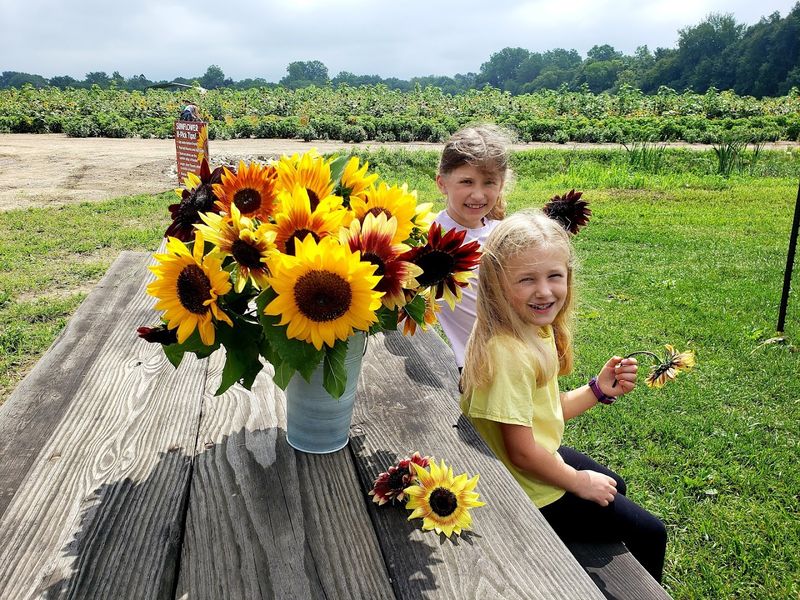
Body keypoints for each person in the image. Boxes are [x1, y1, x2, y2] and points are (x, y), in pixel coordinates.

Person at [460, 210, 668, 583]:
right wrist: (577, 481)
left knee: (614, 486)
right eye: (527, 279)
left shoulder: (529, 327)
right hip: (524, 489)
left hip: (528, 466)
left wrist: (597, 390)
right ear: (496, 283)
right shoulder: (508, 353)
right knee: (651, 534)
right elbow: (522, 453)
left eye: (554, 276)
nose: (544, 291)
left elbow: (543, 412)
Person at [433, 124, 513, 370]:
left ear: (501, 185)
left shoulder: (505, 234)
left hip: (512, 353)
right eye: (467, 182)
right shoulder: (429, 235)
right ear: (442, 183)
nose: (478, 195)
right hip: (469, 362)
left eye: (489, 183)